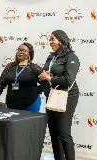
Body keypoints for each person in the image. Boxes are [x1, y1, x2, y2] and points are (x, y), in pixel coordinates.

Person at [38, 30, 80, 160]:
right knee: (54, 133)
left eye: (53, 39)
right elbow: (46, 73)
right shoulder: (52, 56)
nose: (50, 42)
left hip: (67, 96)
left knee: (63, 133)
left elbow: (68, 80)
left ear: (61, 40)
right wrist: (43, 77)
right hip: (52, 95)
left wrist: (50, 79)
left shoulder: (71, 57)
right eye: (49, 39)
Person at [0, 42, 43, 112]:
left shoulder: (34, 68)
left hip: (30, 105)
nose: (21, 52)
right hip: (11, 104)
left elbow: (45, 82)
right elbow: (1, 83)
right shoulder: (10, 66)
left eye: (24, 50)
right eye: (19, 50)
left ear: (30, 54)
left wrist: (36, 91)